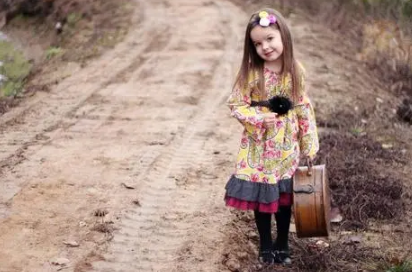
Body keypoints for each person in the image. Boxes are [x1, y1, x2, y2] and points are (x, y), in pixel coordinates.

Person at [224, 8, 319, 265]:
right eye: (257, 43)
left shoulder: (296, 71)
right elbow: (236, 105)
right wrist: (257, 118)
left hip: (287, 146)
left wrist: (308, 144)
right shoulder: (251, 73)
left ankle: (282, 244)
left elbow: (302, 107)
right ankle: (265, 244)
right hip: (259, 147)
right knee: (262, 196)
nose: (265, 47)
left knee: (285, 198)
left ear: (283, 36)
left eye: (269, 39)